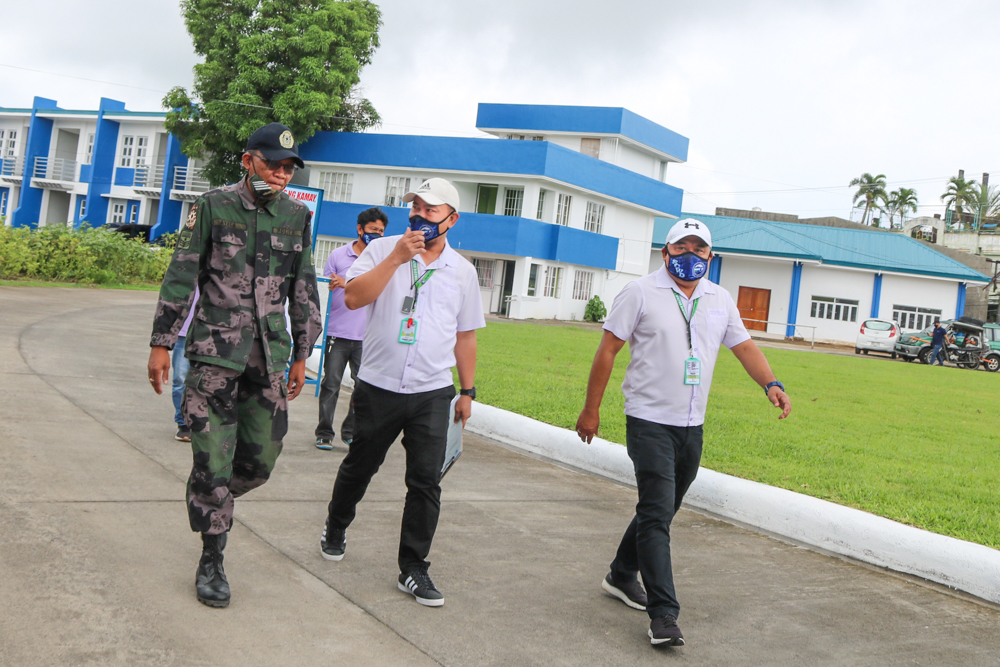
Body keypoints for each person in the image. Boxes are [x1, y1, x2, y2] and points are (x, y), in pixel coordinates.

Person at [575, 218, 791, 647]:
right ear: (665, 252)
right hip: (648, 419)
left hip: (692, 424)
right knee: (657, 514)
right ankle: (664, 615)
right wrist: (591, 410)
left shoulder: (719, 299)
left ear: (711, 256)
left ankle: (621, 574)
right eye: (682, 247)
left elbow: (743, 346)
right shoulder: (639, 293)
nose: (690, 256)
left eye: (699, 249)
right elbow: (608, 350)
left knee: (662, 508)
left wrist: (771, 383)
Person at [147, 122, 322, 608]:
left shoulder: (295, 215)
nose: (282, 175)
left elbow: (303, 285)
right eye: (273, 164)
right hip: (212, 356)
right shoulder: (213, 206)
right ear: (249, 161)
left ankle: (210, 492)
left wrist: (304, 353)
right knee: (212, 458)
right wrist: (162, 342)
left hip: (269, 357)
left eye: (289, 167)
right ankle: (212, 557)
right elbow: (182, 273)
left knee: (259, 462)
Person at [319, 178, 485, 608]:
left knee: (426, 482)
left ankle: (413, 567)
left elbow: (465, 336)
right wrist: (395, 258)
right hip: (379, 384)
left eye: (430, 210)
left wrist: (467, 391)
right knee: (360, 466)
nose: (419, 216)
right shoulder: (381, 249)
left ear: (452, 218)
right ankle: (336, 523)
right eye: (415, 206)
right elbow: (353, 298)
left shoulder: (462, 271)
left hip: (433, 391)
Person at [315, 207, 388, 450]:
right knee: (331, 384)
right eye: (372, 230)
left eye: (381, 231)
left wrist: (348, 283)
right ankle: (324, 432)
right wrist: (338, 284)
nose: (377, 235)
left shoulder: (382, 260)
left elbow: (380, 292)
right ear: (360, 229)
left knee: (362, 388)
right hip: (337, 333)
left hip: (367, 336)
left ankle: (350, 431)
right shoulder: (338, 255)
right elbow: (328, 286)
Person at [171, 285, 199, 442]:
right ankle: (183, 424)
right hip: (184, 331)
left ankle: (203, 422)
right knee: (180, 378)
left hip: (212, 331)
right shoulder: (190, 263)